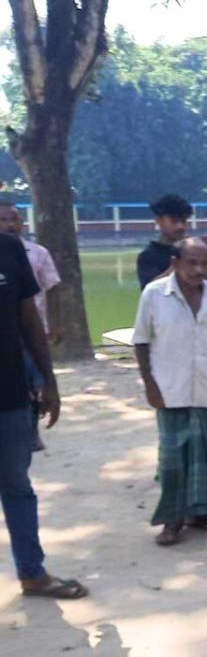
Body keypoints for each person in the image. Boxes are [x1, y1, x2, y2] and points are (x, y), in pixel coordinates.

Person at [133, 237, 207, 546]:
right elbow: (140, 341)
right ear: (175, 262)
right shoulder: (154, 294)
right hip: (170, 388)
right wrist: (150, 384)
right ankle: (172, 520)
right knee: (174, 458)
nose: (199, 269)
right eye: (191, 262)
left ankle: (203, 513)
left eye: (205, 263)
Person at [0, 233, 87, 600]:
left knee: (17, 486)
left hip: (9, 393)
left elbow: (28, 318)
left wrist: (49, 380)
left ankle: (33, 574)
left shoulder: (8, 248)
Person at [0, 201, 59, 452]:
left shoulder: (37, 253)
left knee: (34, 380)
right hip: (9, 333)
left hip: (33, 329)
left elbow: (51, 288)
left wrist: (55, 324)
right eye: (3, 220)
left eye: (14, 219)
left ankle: (31, 430)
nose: (10, 225)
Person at [137, 194, 207, 289]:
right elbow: (149, 291)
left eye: (183, 221)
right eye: (174, 221)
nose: (180, 227)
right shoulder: (148, 256)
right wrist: (176, 265)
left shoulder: (196, 251)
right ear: (159, 221)